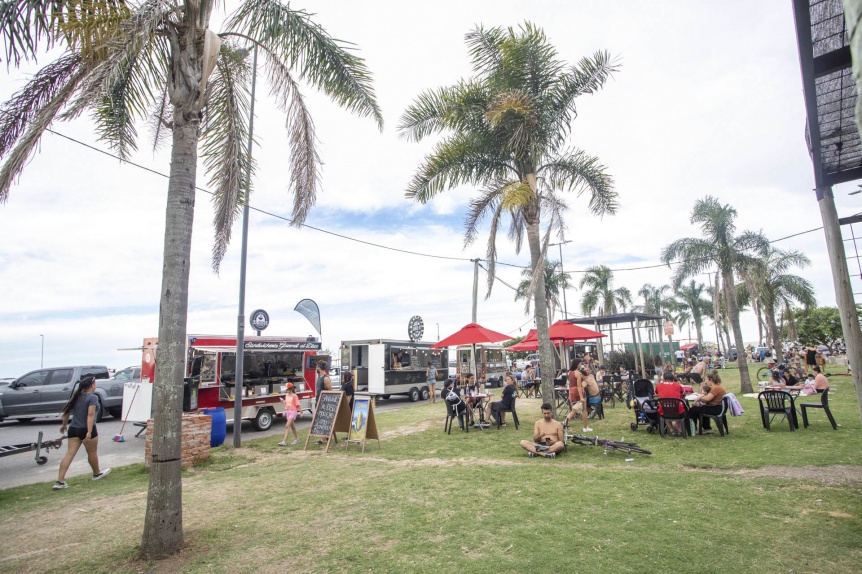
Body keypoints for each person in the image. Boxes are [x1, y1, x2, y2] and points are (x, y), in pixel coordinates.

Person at [53, 376, 111, 489]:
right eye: (95, 383)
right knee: (92, 452)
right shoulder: (92, 398)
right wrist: (89, 432)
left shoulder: (76, 396)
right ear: (91, 385)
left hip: (73, 429)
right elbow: (90, 415)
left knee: (69, 454)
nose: (96, 385)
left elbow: (67, 411)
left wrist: (64, 425)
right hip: (86, 429)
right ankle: (97, 473)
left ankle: (59, 481)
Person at [655, 371, 685, 435]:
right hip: (677, 410)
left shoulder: (659, 385)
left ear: (664, 378)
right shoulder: (677, 385)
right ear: (673, 378)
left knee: (663, 413)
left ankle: (671, 429)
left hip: (664, 410)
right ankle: (680, 430)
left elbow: (656, 392)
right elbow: (682, 392)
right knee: (683, 411)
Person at [575, 362, 601, 433]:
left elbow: (580, 387)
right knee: (584, 398)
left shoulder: (586, 380)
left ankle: (585, 412)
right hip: (598, 397)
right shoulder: (592, 376)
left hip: (594, 398)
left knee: (582, 400)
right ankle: (589, 411)